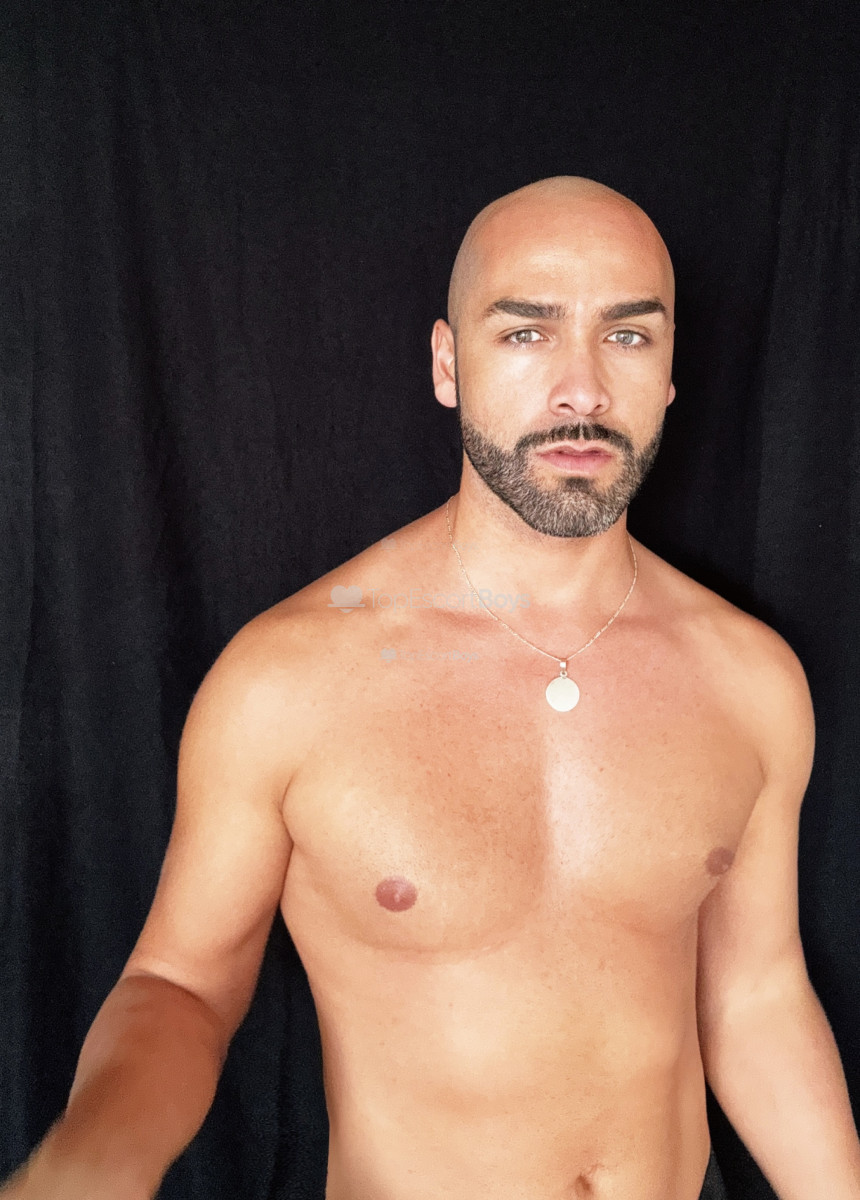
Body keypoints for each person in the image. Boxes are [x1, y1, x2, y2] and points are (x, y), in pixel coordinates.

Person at [4, 175, 860, 1200]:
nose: (582, 389)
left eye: (627, 336)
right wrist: (95, 1161)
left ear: (670, 371)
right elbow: (181, 985)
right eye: (527, 332)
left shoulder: (749, 678)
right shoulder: (289, 680)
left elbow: (756, 997)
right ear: (448, 365)